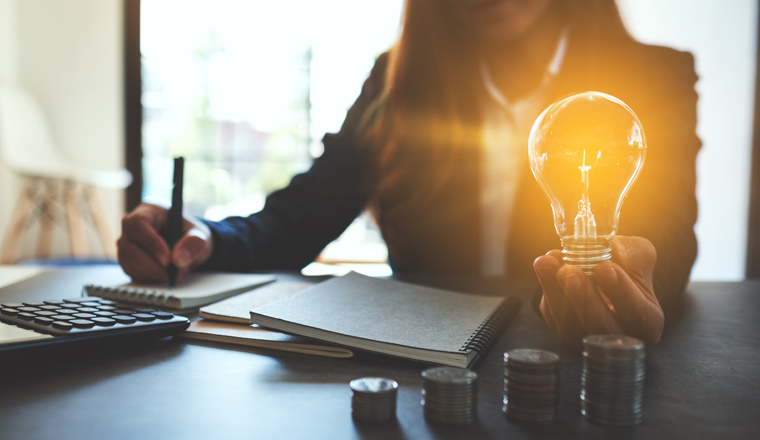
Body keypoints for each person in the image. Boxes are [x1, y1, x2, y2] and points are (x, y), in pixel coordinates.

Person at [117, 0, 699, 346]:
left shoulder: (654, 76)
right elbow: (302, 215)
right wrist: (206, 236)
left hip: (566, 361)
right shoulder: (395, 82)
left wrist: (633, 285)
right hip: (424, 367)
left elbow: (665, 235)